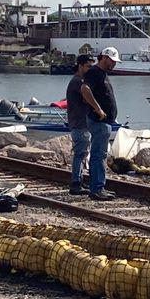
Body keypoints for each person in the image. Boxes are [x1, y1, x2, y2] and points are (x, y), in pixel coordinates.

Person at [78, 46, 119, 200]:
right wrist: (98, 109)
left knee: (99, 155)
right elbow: (85, 89)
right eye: (112, 60)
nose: (114, 64)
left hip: (104, 121)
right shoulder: (95, 73)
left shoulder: (102, 74)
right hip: (99, 121)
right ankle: (97, 188)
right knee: (98, 155)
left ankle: (98, 186)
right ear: (104, 58)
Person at [64, 53, 96, 195]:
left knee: (82, 153)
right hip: (79, 123)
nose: (90, 69)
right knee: (80, 154)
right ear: (80, 66)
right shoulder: (78, 82)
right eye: (88, 66)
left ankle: (79, 180)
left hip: (80, 122)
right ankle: (76, 183)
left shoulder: (78, 81)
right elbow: (86, 99)